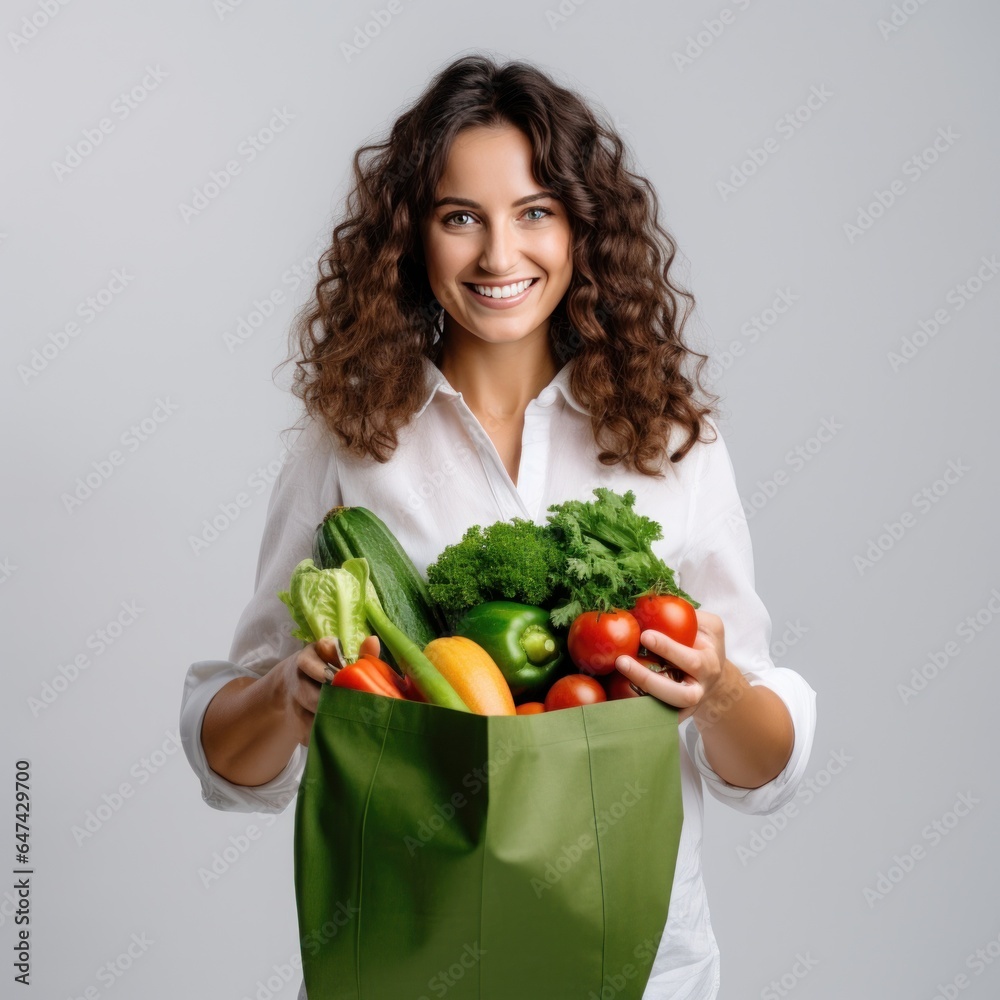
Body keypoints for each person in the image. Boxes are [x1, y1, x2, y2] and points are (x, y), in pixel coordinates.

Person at [179, 52, 817, 999]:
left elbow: (763, 775)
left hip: (636, 964)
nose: (498, 257)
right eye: (459, 217)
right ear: (411, 239)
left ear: (583, 232)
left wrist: (718, 690)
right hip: (411, 952)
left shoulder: (674, 443)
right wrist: (288, 698)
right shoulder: (351, 443)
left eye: (535, 212)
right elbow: (232, 764)